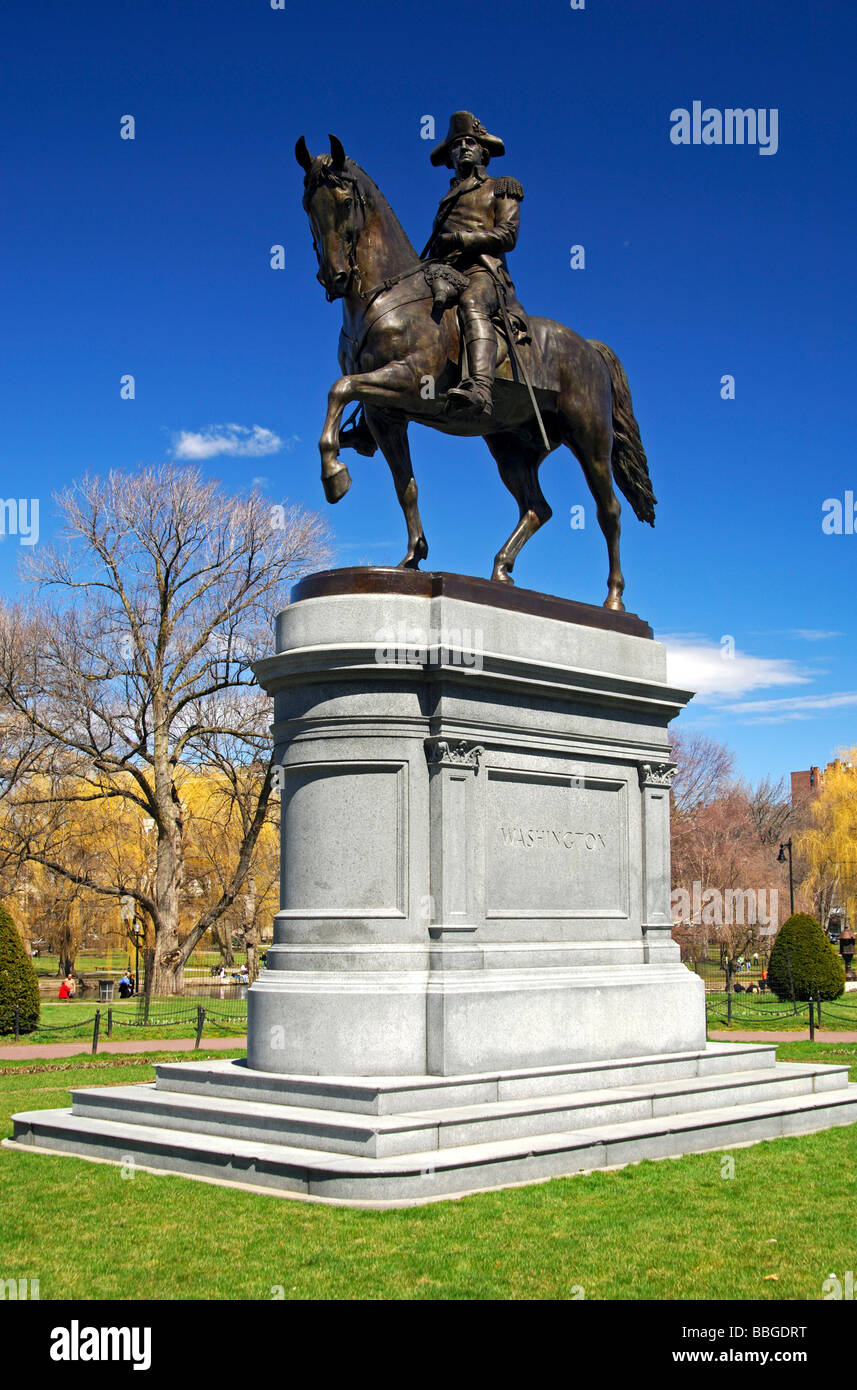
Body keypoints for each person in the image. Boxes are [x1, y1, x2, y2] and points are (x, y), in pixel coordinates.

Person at [424, 111, 526, 418]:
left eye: (471, 142)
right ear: (450, 156)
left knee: (472, 301)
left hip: (485, 274)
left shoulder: (502, 186)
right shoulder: (447, 200)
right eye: (457, 144)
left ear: (484, 151)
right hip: (447, 273)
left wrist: (460, 239)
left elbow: (507, 235)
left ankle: (479, 389)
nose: (464, 147)